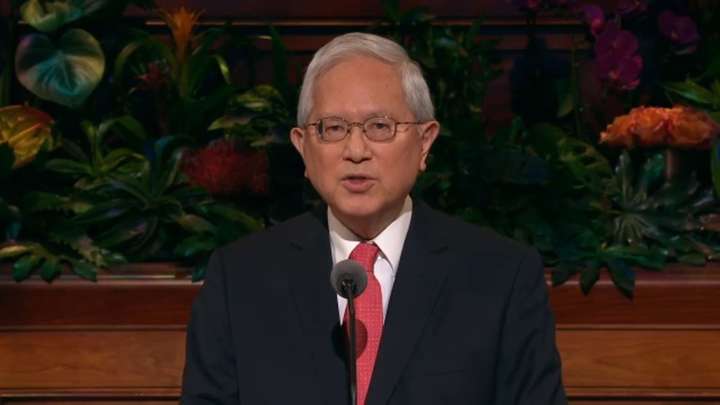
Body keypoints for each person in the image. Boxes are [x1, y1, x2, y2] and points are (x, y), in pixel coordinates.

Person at [181, 32, 567, 405]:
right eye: (333, 128)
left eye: (379, 127)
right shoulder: (240, 279)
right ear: (303, 147)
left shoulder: (502, 276)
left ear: (424, 142)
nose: (355, 150)